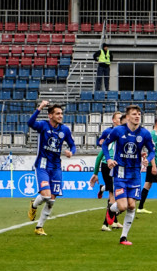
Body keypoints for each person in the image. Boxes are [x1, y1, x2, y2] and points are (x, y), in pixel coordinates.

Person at [102, 104, 156, 245]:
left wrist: (147, 159)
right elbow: (104, 144)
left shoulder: (144, 133)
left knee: (132, 206)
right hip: (120, 172)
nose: (137, 116)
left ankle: (123, 237)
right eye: (134, 114)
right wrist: (109, 159)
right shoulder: (118, 130)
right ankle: (111, 210)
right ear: (127, 117)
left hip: (135, 174)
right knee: (123, 206)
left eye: (139, 114)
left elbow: (152, 151)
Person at [26, 101, 77, 236]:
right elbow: (30, 123)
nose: (61, 116)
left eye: (61, 113)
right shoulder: (43, 125)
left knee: (52, 200)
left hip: (56, 167)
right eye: (57, 113)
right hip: (42, 165)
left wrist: (71, 152)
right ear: (50, 115)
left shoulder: (64, 130)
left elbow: (73, 145)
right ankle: (34, 205)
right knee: (46, 195)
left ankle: (39, 227)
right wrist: (40, 108)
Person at [89, 111, 124, 231]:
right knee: (113, 194)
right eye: (119, 118)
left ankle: (114, 221)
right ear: (113, 120)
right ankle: (106, 223)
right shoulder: (109, 133)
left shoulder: (123, 134)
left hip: (118, 166)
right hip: (108, 166)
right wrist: (95, 173)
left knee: (115, 192)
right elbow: (100, 150)